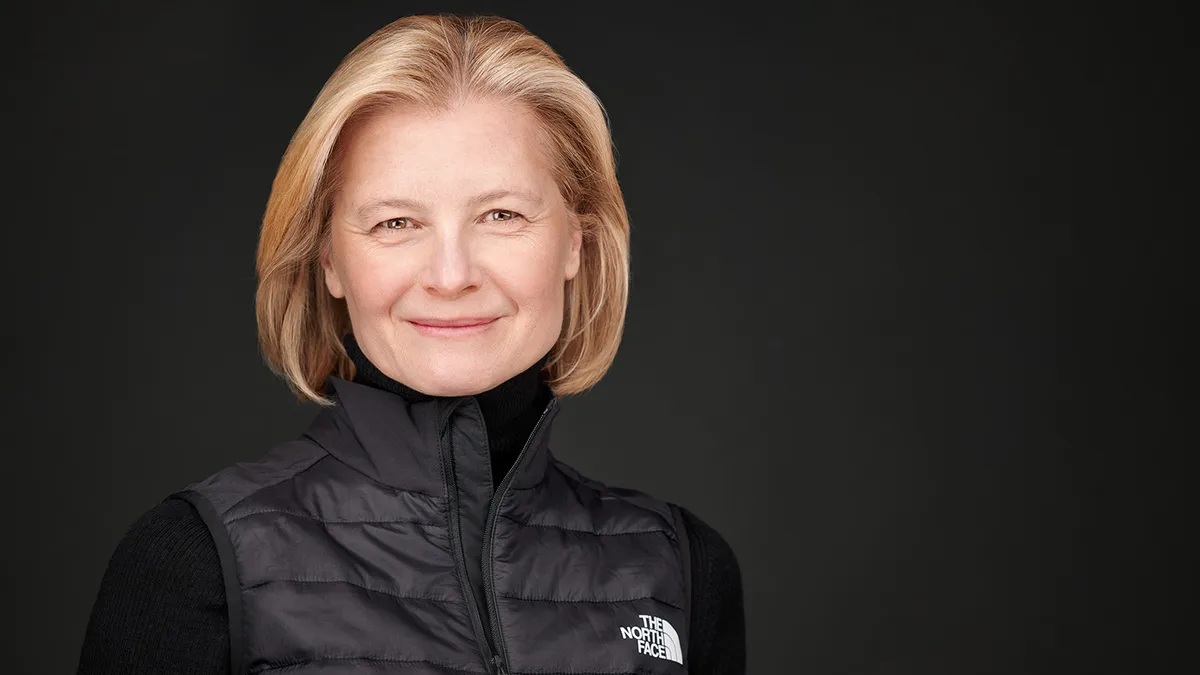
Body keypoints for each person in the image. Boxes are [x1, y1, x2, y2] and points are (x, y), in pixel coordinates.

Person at [77, 13, 745, 674]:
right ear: (330, 259)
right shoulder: (193, 561)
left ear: (576, 239)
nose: (451, 276)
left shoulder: (680, 570)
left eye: (502, 214)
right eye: (396, 222)